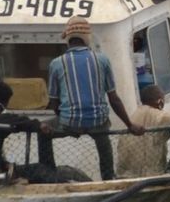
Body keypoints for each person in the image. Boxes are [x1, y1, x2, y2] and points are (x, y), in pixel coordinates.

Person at [42, 16, 144, 181]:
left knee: (44, 128)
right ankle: (108, 176)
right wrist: (130, 125)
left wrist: (64, 116)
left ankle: (47, 170)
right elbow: (114, 98)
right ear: (87, 38)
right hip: (98, 120)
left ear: (68, 40)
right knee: (103, 142)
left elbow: (54, 102)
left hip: (69, 122)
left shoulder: (56, 63)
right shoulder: (102, 60)